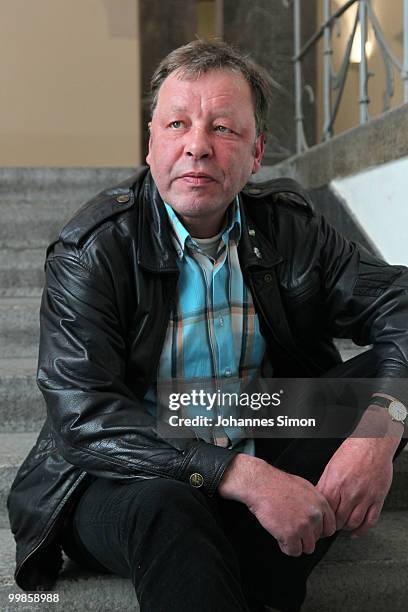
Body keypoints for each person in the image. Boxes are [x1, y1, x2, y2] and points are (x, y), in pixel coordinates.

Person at [7, 39, 408, 612]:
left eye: (223, 128)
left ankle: (251, 564)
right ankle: (261, 570)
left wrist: (381, 430)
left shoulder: (290, 230)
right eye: (177, 124)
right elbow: (84, 413)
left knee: (381, 387)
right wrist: (238, 473)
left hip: (257, 420)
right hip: (125, 469)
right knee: (169, 509)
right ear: (151, 145)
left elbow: (401, 306)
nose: (197, 146)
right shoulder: (93, 248)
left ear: (257, 152)